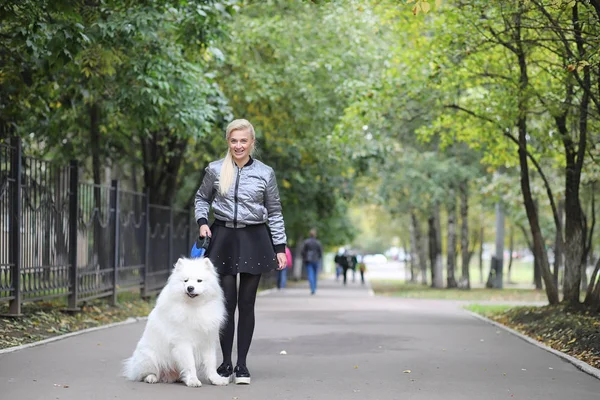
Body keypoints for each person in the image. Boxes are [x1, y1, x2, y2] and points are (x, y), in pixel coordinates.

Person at [194, 118, 287, 385]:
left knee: (247, 304)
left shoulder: (265, 173)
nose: (238, 145)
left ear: (251, 143)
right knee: (226, 303)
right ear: (228, 142)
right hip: (223, 237)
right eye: (234, 140)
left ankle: (242, 365)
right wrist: (203, 223)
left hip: (254, 237)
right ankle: (225, 363)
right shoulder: (214, 170)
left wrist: (279, 247)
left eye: (243, 140)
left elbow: (275, 212)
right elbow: (201, 198)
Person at [301, 228, 323, 295]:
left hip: (308, 260)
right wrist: (319, 257)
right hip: (316, 260)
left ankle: (312, 288)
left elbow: (303, 251)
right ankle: (314, 288)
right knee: (315, 274)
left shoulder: (306, 242)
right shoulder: (318, 242)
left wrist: (304, 258)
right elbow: (320, 252)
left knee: (310, 274)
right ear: (315, 235)